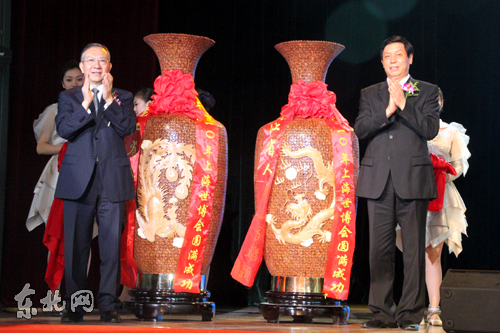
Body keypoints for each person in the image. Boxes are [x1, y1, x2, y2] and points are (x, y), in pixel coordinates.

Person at [354, 36, 440, 331]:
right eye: (387, 56)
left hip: (412, 179)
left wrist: (404, 104)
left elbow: (429, 129)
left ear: (409, 59)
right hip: (378, 180)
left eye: (398, 55)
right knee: (379, 251)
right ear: (382, 62)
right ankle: (382, 312)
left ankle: (409, 315)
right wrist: (388, 110)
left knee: (414, 251)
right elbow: (360, 128)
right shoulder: (371, 93)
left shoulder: (425, 90)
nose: (392, 60)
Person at [55, 43, 136, 323]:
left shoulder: (122, 97)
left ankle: (108, 306)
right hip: (79, 180)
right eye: (91, 61)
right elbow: (64, 130)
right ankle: (75, 306)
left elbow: (127, 128)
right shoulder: (68, 98)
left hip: (112, 179)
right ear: (82, 67)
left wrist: (108, 97)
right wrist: (87, 102)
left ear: (109, 67)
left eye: (102, 61)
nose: (97, 65)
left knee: (111, 247)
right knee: (77, 248)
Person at [420, 88, 470, 326]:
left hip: (440, 196)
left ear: (440, 102)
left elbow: (459, 165)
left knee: (433, 254)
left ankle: (433, 309)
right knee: (412, 253)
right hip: (413, 195)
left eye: (435, 99)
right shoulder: (413, 128)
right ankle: (409, 306)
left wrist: (440, 173)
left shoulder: (450, 131)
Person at [26, 61, 83, 231]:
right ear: (62, 84)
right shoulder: (54, 110)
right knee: (58, 230)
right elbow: (41, 147)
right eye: (69, 80)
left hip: (85, 170)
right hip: (60, 171)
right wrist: (70, 148)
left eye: (79, 79)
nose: (74, 84)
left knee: (83, 231)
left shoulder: (93, 109)